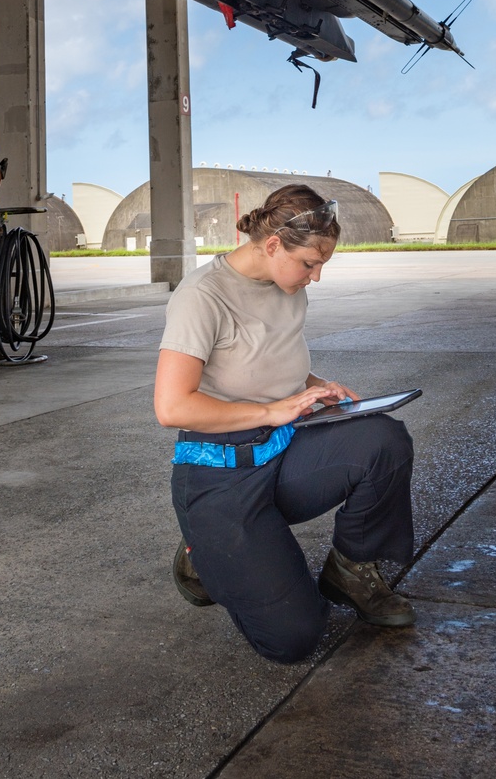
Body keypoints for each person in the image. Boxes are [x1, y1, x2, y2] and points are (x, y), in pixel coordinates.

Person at [154, 184, 416, 664]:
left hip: (280, 450)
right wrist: (273, 411)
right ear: (273, 244)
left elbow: (262, 364)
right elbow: (173, 406)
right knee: (294, 638)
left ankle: (350, 570)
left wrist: (318, 386)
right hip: (220, 472)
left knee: (383, 440)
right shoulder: (203, 296)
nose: (314, 278)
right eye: (309, 264)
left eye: (322, 266)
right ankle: (204, 552)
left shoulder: (285, 285)